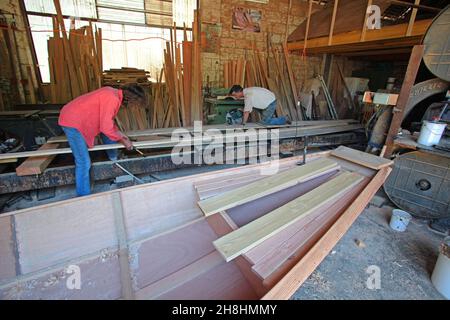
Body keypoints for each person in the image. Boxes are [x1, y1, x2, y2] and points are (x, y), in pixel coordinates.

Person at [58, 84, 146, 197]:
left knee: (110, 134)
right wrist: (123, 140)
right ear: (131, 100)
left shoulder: (113, 93)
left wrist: (123, 137)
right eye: (135, 105)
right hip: (72, 121)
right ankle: (83, 197)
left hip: (75, 117)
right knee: (83, 162)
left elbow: (108, 123)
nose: (134, 108)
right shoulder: (113, 99)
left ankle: (113, 159)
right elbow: (106, 128)